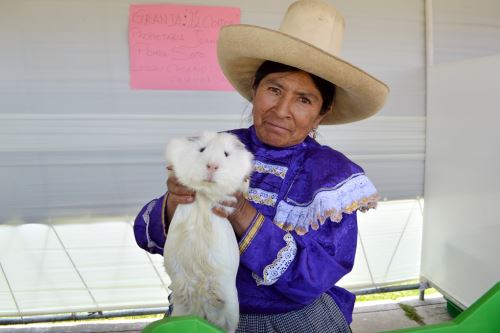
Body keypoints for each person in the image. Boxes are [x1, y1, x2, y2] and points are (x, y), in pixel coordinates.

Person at [134, 0, 389, 332]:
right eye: (274, 89)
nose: (281, 110)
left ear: (321, 113)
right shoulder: (219, 148)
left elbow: (316, 275)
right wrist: (173, 202)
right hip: (202, 311)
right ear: (254, 89)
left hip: (294, 320)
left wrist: (241, 213)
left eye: (304, 99)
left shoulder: (335, 177)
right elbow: (146, 237)